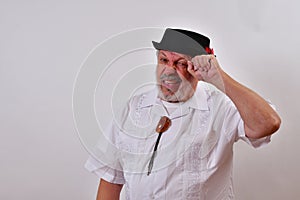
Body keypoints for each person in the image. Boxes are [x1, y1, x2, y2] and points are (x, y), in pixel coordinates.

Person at [85, 28, 281, 199]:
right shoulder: (133, 108)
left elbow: (268, 123)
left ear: (198, 69)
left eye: (180, 63)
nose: (168, 71)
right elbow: (112, 179)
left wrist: (219, 77)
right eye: (163, 60)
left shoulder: (221, 107)